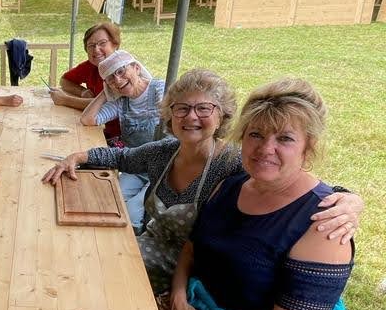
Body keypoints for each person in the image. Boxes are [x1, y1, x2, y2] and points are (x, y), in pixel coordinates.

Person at [43, 68, 363, 294]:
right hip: (143, 253)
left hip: (191, 281)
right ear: (169, 115)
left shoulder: (236, 163)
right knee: (77, 267)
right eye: (181, 108)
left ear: (223, 115)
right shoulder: (165, 152)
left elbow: (291, 183)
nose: (191, 117)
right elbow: (120, 158)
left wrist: (347, 198)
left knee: (93, 285)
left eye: (203, 108)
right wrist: (79, 157)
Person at [167, 78, 358, 310]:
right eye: (255, 134)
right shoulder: (232, 185)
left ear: (309, 147)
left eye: (284, 139)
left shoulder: (325, 225)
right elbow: (191, 249)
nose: (265, 149)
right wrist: (177, 299)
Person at [80, 49, 166, 230]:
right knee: (110, 199)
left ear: (136, 68)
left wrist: (111, 84)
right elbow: (88, 120)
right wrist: (106, 91)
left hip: (162, 168)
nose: (117, 80)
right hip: (134, 166)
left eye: (121, 71)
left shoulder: (159, 89)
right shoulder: (121, 101)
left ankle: (138, 243)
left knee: (132, 210)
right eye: (110, 78)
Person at [48, 22, 122, 141]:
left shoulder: (121, 72)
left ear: (115, 44)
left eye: (102, 43)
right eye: (91, 45)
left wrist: (65, 100)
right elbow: (65, 80)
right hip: (94, 128)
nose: (96, 50)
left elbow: (104, 106)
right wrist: (83, 92)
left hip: (117, 138)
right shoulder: (91, 66)